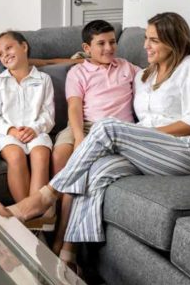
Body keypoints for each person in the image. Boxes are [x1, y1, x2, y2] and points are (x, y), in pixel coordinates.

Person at [8, 12, 190, 269]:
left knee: (107, 127)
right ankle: (69, 257)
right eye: (146, 39)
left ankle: (46, 196)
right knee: (96, 172)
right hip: (147, 150)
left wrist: (143, 136)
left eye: (153, 41)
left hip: (182, 151)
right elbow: (85, 69)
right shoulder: (146, 74)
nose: (145, 46)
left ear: (173, 41)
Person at [47, 20, 141, 253]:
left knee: (79, 170)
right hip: (82, 125)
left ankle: (61, 239)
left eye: (112, 42)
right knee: (60, 155)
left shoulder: (127, 68)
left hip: (113, 131)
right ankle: (55, 220)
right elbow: (74, 108)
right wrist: (79, 137)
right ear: (86, 48)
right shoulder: (78, 72)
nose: (109, 48)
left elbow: (156, 77)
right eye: (101, 43)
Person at [0, 31, 55, 209]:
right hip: (9, 134)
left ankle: (35, 212)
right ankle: (27, 213)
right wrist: (11, 131)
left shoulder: (44, 79)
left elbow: (48, 114)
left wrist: (35, 129)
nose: (5, 54)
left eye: (9, 48)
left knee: (40, 154)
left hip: (37, 131)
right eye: (0, 54)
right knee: (16, 157)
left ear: (24, 47)